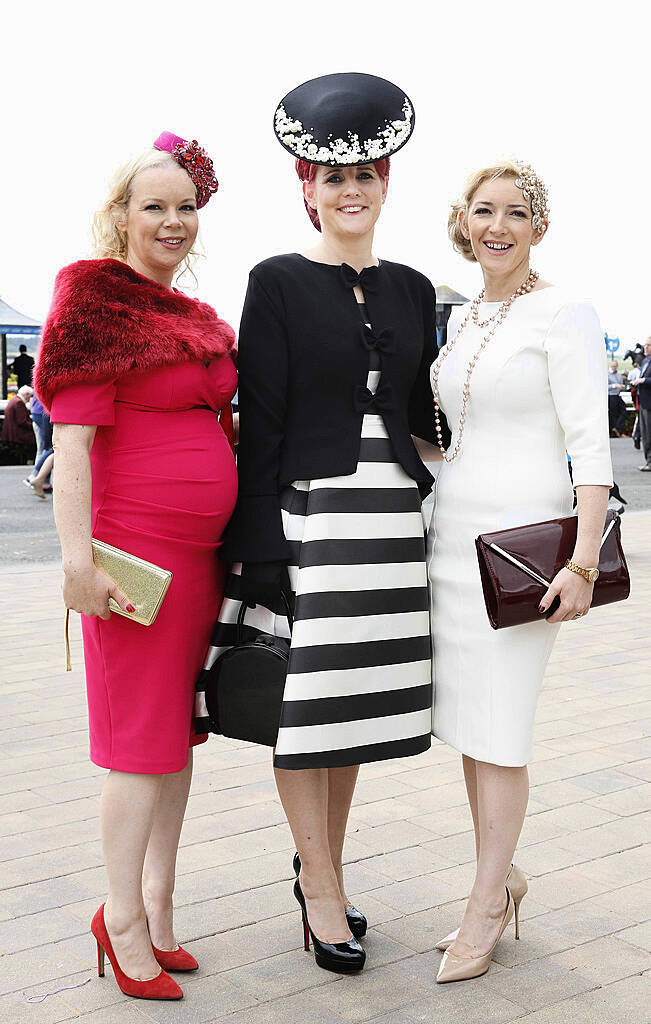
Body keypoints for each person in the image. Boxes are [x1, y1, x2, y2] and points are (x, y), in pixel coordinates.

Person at [211, 73, 442, 975]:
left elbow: (424, 410)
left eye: (365, 177)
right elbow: (260, 419)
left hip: (389, 519)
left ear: (386, 184)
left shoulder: (416, 287)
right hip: (307, 520)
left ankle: (327, 876)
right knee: (304, 716)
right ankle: (320, 888)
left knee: (343, 715)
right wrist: (260, 547)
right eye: (330, 179)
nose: (350, 192)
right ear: (305, 189)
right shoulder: (273, 282)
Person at [35, 131, 236, 1002]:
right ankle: (118, 918)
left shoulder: (189, 314)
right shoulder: (91, 300)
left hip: (199, 563)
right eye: (153, 206)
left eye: (185, 207)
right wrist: (76, 563)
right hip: (132, 565)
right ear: (119, 216)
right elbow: (72, 445)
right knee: (138, 747)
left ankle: (155, 905)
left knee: (174, 742)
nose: (172, 221)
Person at [428, 161, 612, 983]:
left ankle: (484, 905)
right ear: (462, 222)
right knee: (472, 728)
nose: (496, 226)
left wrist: (580, 560)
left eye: (514, 213)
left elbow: (591, 447)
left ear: (538, 226)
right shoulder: (466, 315)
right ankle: (497, 877)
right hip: (450, 540)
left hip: (525, 555)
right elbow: (457, 437)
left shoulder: (562, 311)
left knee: (499, 731)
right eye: (482, 211)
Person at [1, 385, 35, 462]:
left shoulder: (14, 399)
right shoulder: (19, 403)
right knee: (35, 437)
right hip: (16, 433)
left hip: (11, 432)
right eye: (29, 396)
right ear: (26, 394)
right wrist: (33, 425)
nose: (29, 399)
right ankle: (31, 460)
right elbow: (22, 421)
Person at [636, 337, 651, 470]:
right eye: (645, 345)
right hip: (643, 402)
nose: (645, 347)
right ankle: (648, 461)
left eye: (648, 345)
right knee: (645, 434)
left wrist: (643, 380)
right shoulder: (645, 361)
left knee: (649, 433)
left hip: (649, 403)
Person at [607, 360, 628, 436]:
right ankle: (616, 432)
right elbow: (605, 386)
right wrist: (615, 386)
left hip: (617, 395)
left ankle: (617, 428)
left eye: (615, 366)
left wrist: (621, 386)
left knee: (623, 412)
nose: (614, 368)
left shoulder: (619, 375)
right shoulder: (607, 374)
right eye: (613, 366)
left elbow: (621, 384)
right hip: (611, 396)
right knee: (614, 414)